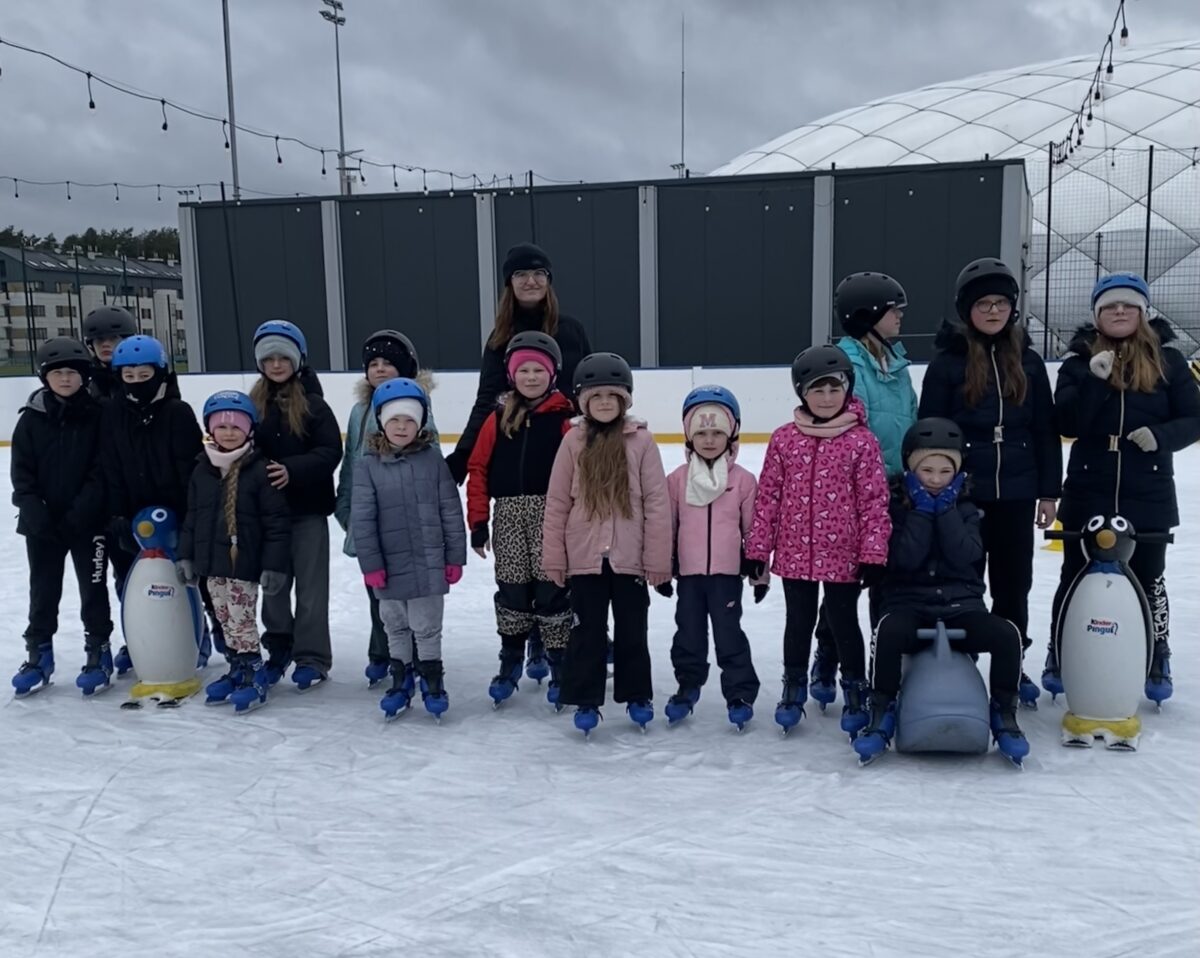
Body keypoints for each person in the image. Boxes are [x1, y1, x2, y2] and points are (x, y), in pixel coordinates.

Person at [1044, 274, 1200, 705]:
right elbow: (1068, 423)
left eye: (1128, 305)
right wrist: (1096, 381)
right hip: (1089, 485)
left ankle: (1156, 654)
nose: (1119, 311)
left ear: (1142, 312)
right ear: (1097, 315)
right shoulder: (1078, 363)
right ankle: (1059, 650)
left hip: (1147, 488)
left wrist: (1161, 437)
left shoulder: (1169, 361)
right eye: (1110, 306)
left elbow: (1194, 418)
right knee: (1074, 574)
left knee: (1149, 577)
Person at [918, 257, 1061, 707]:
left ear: (1013, 307)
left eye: (1001, 302)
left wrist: (1049, 492)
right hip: (965, 495)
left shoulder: (1029, 362)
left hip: (1017, 493)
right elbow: (929, 429)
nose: (994, 311)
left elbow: (1045, 429)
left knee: (1013, 586)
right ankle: (956, 665)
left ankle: (1011, 662)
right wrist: (936, 488)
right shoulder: (947, 364)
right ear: (968, 310)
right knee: (961, 583)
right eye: (984, 304)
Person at [854, 418, 1029, 765]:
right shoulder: (894, 508)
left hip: (961, 606)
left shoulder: (967, 508)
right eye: (927, 470)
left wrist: (946, 509)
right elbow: (905, 558)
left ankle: (1004, 710)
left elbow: (965, 555)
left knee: (1007, 634)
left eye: (945, 471)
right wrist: (921, 511)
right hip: (909, 604)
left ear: (958, 472)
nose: (935, 479)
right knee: (888, 632)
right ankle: (881, 708)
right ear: (910, 468)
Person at [744, 345, 891, 736]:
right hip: (794, 552)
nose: (827, 398)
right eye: (817, 390)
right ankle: (793, 686)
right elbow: (768, 497)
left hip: (844, 554)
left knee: (844, 622)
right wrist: (757, 550)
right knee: (798, 621)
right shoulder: (784, 439)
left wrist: (873, 553)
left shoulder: (862, 441)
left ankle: (855, 687)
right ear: (801, 392)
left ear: (847, 390)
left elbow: (874, 502)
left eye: (834, 389)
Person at [542, 352, 672, 735]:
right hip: (584, 557)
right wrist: (554, 557)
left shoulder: (641, 442)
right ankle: (585, 697)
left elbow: (657, 502)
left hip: (630, 558)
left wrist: (657, 559)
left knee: (633, 631)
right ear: (583, 401)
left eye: (611, 396)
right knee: (587, 632)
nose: (603, 403)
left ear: (624, 400)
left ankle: (637, 694)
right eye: (595, 396)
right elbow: (557, 502)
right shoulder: (573, 442)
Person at [811, 272, 918, 707]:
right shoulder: (848, 365)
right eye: (894, 310)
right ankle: (828, 653)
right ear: (867, 315)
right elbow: (850, 426)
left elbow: (910, 419)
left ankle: (882, 663)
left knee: (885, 583)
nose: (900, 317)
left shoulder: (897, 364)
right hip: (853, 494)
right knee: (843, 586)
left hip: (897, 489)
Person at [466, 331, 575, 708]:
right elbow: (478, 469)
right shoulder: (497, 418)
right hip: (509, 517)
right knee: (513, 590)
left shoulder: (565, 419)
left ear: (552, 374)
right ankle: (511, 657)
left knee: (552, 590)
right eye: (523, 370)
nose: (531, 377)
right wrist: (478, 522)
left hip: (552, 515)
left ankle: (558, 661)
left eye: (538, 370)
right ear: (512, 375)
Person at [351, 378, 466, 720]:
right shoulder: (368, 465)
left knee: (427, 627)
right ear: (381, 422)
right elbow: (363, 520)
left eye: (409, 420)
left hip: (429, 562)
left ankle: (432, 680)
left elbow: (450, 510)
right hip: (387, 566)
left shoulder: (433, 461)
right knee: (395, 626)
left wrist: (455, 557)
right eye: (395, 420)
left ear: (421, 424)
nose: (402, 427)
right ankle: (400, 680)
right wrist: (371, 564)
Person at [334, 329, 439, 687]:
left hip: (408, 521)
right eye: (373, 363)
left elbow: (429, 463)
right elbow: (350, 463)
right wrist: (346, 509)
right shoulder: (359, 412)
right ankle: (383, 652)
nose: (379, 369)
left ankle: (416, 656)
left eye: (388, 363)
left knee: (411, 592)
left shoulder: (417, 408)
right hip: (369, 519)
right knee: (378, 591)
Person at [99, 334, 204, 690]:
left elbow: (190, 469)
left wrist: (187, 517)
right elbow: (110, 466)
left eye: (144, 375)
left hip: (173, 516)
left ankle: (199, 635)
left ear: (159, 374)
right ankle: (142, 639)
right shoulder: (112, 413)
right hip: (130, 518)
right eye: (128, 376)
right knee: (130, 581)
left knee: (186, 578)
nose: (136, 383)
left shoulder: (177, 412)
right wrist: (117, 514)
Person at [176, 391, 291, 712]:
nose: (229, 433)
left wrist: (274, 566)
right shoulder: (202, 470)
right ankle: (236, 667)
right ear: (210, 430)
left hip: (244, 562)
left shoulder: (260, 470)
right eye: (222, 427)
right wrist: (186, 556)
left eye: (236, 427)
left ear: (250, 429)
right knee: (224, 618)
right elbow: (192, 518)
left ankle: (253, 671)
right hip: (211, 564)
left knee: (242, 620)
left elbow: (277, 524)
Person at [659, 385, 765, 730]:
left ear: (731, 435)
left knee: (729, 635)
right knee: (688, 634)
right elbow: (667, 527)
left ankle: (740, 693)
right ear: (689, 436)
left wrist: (759, 571)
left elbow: (754, 529)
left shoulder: (743, 481)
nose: (708, 440)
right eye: (701, 433)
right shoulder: (676, 480)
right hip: (689, 576)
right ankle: (687, 686)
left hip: (726, 576)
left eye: (717, 432)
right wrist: (663, 567)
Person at [10, 338, 111, 697]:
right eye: (58, 373)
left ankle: (98, 650)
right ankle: (39, 654)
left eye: (72, 372)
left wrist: (80, 513)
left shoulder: (98, 416)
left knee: (93, 589)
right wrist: (33, 509)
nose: (65, 379)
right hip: (41, 525)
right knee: (43, 589)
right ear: (45, 377)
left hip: (87, 523)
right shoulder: (31, 419)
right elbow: (21, 472)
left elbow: (102, 470)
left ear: (84, 376)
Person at [445, 243, 592, 484]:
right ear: (509, 282)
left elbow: (588, 392)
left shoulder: (572, 331)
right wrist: (463, 453)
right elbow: (487, 400)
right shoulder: (500, 338)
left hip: (565, 449)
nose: (530, 281)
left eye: (538, 273)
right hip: (518, 454)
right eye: (520, 274)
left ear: (548, 279)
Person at [250, 320, 343, 691]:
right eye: (269, 358)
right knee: (272, 586)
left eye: (284, 357)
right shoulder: (253, 405)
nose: (276, 365)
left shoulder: (314, 405)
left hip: (307, 512)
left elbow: (330, 451)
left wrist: (292, 470)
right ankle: (278, 647)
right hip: (266, 516)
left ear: (298, 360)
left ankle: (312, 656)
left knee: (311, 591)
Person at [81, 305, 137, 402]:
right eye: (99, 339)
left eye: (113, 338)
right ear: (91, 345)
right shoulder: (84, 380)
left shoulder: (141, 375)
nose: (105, 344)